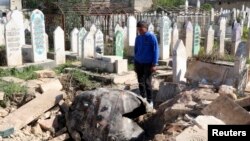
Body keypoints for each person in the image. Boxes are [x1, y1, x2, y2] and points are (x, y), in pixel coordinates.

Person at [134, 21, 159, 107]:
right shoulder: (138, 38)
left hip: (148, 63)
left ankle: (150, 101)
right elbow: (136, 50)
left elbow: (156, 50)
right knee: (140, 82)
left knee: (147, 82)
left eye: (141, 29)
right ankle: (143, 98)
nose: (139, 31)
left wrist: (154, 64)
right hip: (139, 62)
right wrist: (135, 62)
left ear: (145, 28)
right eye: (138, 29)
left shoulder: (151, 37)